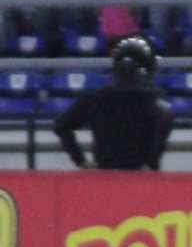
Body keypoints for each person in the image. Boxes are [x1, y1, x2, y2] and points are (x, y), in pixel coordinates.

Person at [53, 36, 174, 170]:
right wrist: (149, 163)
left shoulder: (96, 98)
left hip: (105, 176)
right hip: (142, 179)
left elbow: (61, 125)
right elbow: (163, 129)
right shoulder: (155, 100)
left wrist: (80, 161)